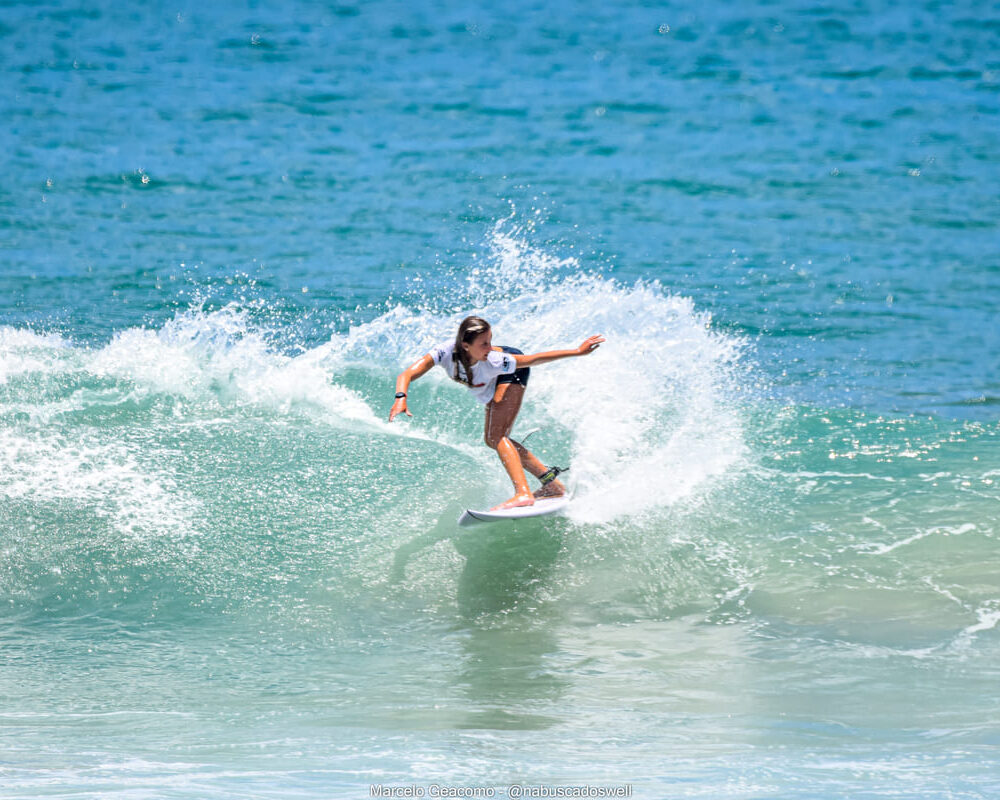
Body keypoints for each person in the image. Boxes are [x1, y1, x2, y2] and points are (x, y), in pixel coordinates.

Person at [389, 316, 604, 510]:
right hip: (491, 380)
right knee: (494, 440)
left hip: (512, 373)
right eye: (484, 344)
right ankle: (553, 485)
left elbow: (534, 359)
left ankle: (523, 493)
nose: (490, 347)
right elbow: (407, 373)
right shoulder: (445, 353)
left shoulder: (496, 359)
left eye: (491, 341)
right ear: (465, 346)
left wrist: (577, 351)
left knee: (497, 436)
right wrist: (401, 398)